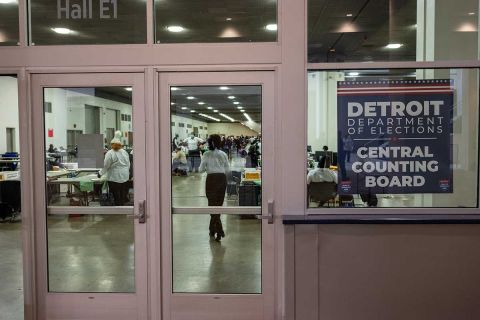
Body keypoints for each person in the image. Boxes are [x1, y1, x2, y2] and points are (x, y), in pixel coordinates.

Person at [199, 134, 230, 241]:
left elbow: (200, 170)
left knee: (212, 205)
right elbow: (227, 170)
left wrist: (206, 166)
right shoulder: (224, 154)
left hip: (211, 179)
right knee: (218, 205)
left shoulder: (206, 154)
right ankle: (212, 229)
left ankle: (219, 230)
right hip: (222, 179)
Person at [98, 131, 131, 206]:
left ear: (111, 145)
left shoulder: (110, 153)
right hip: (125, 176)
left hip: (114, 177)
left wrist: (100, 173)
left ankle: (118, 209)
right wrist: (126, 172)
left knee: (116, 195)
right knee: (122, 194)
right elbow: (128, 164)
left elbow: (106, 166)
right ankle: (122, 207)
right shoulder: (124, 152)